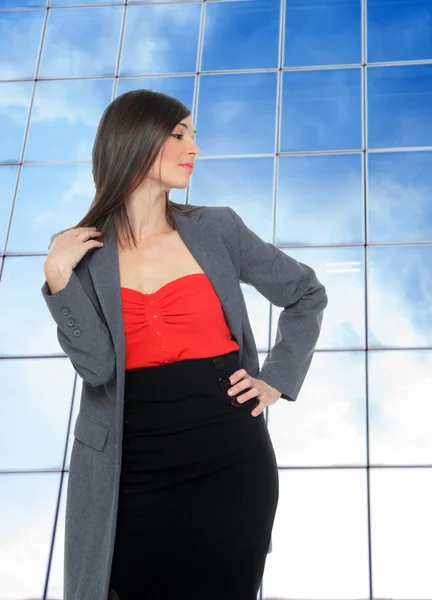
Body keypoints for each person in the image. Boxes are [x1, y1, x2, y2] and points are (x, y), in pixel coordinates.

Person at [41, 89, 328, 600]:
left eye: (194, 136)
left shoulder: (217, 227)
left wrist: (277, 381)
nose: (193, 148)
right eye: (178, 135)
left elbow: (305, 293)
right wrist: (58, 279)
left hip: (230, 461)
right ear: (133, 140)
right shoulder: (81, 251)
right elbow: (97, 367)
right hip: (129, 470)